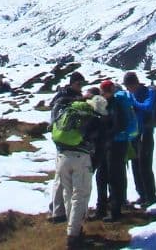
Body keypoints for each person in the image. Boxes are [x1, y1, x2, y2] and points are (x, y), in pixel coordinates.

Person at [52, 89, 106, 249]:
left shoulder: (71, 111)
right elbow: (100, 146)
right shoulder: (95, 119)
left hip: (62, 156)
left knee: (68, 193)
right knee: (80, 196)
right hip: (81, 159)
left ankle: (72, 228)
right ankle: (73, 236)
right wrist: (94, 165)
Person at [95, 79, 137, 221]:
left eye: (106, 91)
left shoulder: (116, 104)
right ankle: (103, 208)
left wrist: (106, 134)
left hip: (115, 144)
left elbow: (119, 124)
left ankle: (114, 211)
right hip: (110, 144)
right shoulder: (108, 103)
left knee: (112, 177)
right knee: (103, 176)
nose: (105, 93)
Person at [49, 71, 87, 221]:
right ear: (72, 83)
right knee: (61, 177)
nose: (81, 87)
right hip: (65, 142)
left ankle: (59, 210)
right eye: (79, 84)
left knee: (62, 176)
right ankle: (58, 211)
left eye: (82, 84)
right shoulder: (68, 98)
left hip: (61, 140)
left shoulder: (61, 96)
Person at [123, 70, 156, 208]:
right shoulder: (133, 94)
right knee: (136, 165)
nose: (128, 89)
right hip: (135, 134)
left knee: (144, 165)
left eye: (129, 86)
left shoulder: (150, 92)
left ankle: (150, 196)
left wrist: (133, 102)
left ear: (134, 83)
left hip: (146, 132)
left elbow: (148, 107)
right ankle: (142, 194)